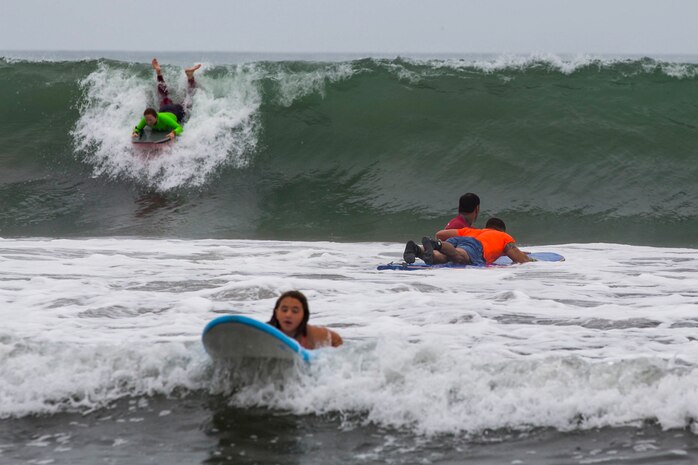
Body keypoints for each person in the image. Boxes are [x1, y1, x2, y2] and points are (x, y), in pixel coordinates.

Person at [403, 217, 533, 266]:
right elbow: (520, 259)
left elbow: (440, 234)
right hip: (476, 247)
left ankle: (418, 249)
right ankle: (436, 245)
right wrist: (531, 261)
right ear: (502, 231)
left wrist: (439, 241)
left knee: (445, 258)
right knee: (460, 255)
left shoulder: (474, 231)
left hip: (458, 240)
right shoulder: (503, 236)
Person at [131, 58, 201, 141]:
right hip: (164, 108)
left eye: (150, 120)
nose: (148, 122)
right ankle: (158, 72)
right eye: (147, 120)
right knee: (163, 95)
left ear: (156, 117)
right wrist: (135, 132)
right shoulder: (146, 119)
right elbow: (137, 128)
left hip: (176, 111)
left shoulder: (164, 119)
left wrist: (173, 133)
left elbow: (179, 128)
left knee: (188, 100)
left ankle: (190, 76)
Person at [268, 290, 343, 350]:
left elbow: (336, 340)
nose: (288, 315)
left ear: (304, 316)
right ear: (276, 313)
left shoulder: (312, 334)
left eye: (295, 311)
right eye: (284, 310)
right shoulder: (264, 333)